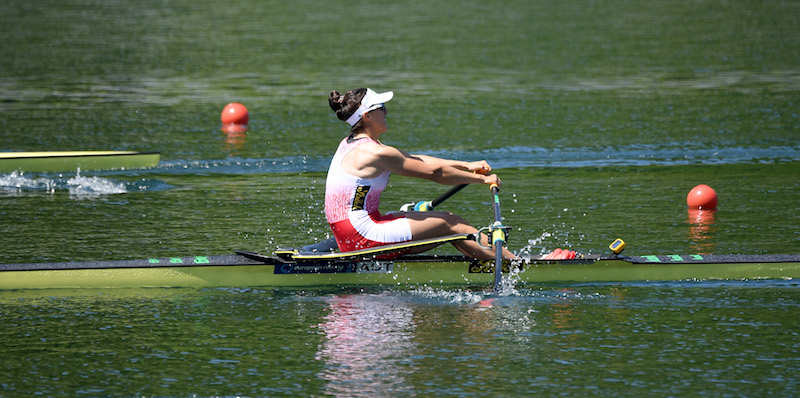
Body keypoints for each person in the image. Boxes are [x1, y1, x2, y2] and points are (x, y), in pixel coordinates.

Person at [325, 87, 517, 261]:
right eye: (381, 107)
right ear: (367, 116)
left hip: (351, 233)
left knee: (445, 217)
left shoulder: (352, 143)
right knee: (453, 224)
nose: (386, 112)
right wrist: (481, 179)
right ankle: (519, 265)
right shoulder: (375, 152)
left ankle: (496, 259)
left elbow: (415, 159)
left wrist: (467, 165)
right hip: (362, 237)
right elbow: (435, 173)